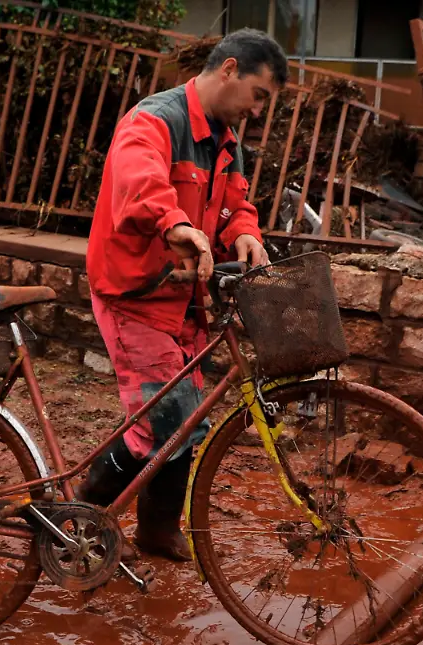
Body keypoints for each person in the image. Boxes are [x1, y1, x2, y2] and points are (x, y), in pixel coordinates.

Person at [77, 29, 288, 561]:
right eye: (259, 96)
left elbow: (235, 202)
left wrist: (245, 232)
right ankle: (73, 520)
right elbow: (139, 180)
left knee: (188, 420)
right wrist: (174, 223)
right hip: (135, 293)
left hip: (183, 300)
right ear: (231, 70)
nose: (258, 111)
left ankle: (156, 532)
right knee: (165, 421)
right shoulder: (155, 120)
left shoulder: (225, 140)